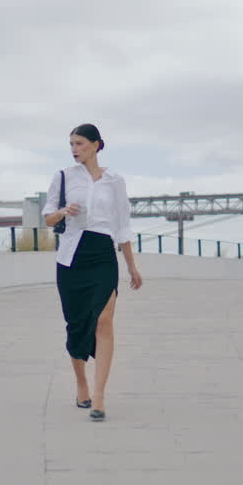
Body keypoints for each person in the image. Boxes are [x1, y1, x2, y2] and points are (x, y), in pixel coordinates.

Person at [42, 123, 142, 421]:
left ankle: (99, 396)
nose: (74, 149)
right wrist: (63, 212)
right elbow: (48, 218)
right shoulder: (63, 177)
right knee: (76, 326)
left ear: (96, 145)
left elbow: (122, 226)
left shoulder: (115, 181)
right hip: (71, 257)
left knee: (104, 321)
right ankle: (81, 384)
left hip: (103, 255)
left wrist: (131, 266)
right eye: (71, 144)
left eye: (80, 144)